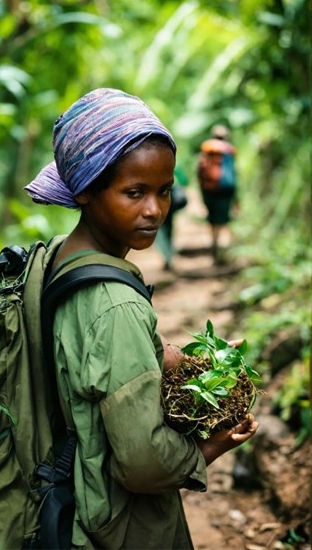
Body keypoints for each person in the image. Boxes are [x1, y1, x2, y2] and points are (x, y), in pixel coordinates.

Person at [25, 88, 258, 549]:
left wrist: (176, 360)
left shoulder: (55, 258)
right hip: (110, 526)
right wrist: (214, 447)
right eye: (135, 192)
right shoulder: (116, 303)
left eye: (164, 191)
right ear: (86, 190)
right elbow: (143, 462)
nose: (155, 210)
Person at [197, 124, 238, 264]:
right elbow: (234, 173)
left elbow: (200, 171)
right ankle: (224, 250)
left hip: (210, 189)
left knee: (213, 219)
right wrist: (237, 198)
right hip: (227, 190)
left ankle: (214, 246)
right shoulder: (230, 151)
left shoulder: (207, 149)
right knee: (224, 219)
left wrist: (202, 192)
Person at [155, 164, 188, 271]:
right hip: (171, 201)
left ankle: (167, 256)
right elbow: (185, 181)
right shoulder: (174, 166)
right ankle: (169, 254)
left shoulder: (152, 166)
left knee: (160, 230)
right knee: (169, 227)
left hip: (158, 202)